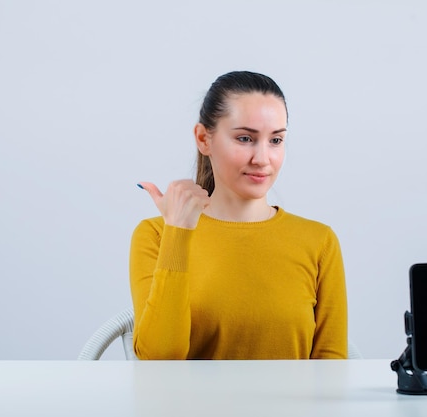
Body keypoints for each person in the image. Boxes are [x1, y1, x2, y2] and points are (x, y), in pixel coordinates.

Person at [130, 71, 347, 360]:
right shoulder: (157, 236)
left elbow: (331, 370)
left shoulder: (319, 241)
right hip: (192, 407)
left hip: (294, 407)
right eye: (245, 138)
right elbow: (159, 358)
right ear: (203, 139)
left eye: (276, 140)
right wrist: (178, 232)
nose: (262, 158)